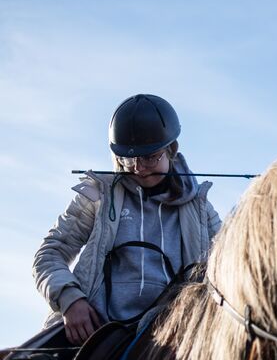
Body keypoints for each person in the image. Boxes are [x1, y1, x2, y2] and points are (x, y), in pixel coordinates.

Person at [32, 94, 222, 345]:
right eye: (128, 158)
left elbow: (233, 269)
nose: (138, 168)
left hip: (176, 336)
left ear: (171, 150)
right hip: (93, 331)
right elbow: (49, 253)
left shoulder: (200, 209)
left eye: (149, 157)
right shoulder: (97, 194)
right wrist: (70, 299)